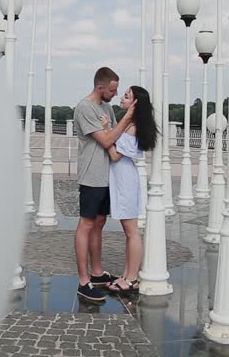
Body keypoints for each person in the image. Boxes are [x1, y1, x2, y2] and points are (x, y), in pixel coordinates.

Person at [73, 67, 135, 302]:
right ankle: (83, 281)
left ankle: (97, 273)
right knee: (86, 224)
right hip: (92, 176)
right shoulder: (85, 108)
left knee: (99, 222)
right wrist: (127, 118)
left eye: (117, 89)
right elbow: (108, 139)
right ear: (100, 88)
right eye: (112, 89)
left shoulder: (107, 108)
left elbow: (117, 137)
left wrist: (114, 127)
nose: (115, 93)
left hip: (107, 175)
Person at [100, 86, 157, 293]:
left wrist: (105, 133)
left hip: (125, 180)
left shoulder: (132, 127)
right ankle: (126, 275)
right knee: (128, 231)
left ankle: (132, 279)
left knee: (132, 231)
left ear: (135, 103)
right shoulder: (128, 124)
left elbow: (115, 155)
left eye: (127, 96)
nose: (122, 98)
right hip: (121, 178)